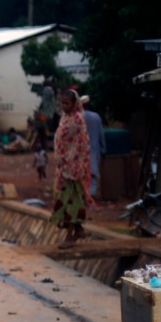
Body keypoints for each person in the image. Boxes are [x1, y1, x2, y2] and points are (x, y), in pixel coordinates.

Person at [50, 89, 93, 248]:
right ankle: (79, 230)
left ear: (75, 104)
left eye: (67, 103)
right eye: (62, 103)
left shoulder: (76, 119)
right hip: (64, 168)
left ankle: (70, 237)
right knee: (64, 201)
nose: (64, 106)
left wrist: (70, 161)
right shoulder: (65, 118)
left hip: (74, 168)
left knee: (71, 203)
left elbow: (79, 145)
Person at [81, 96, 107, 199]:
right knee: (92, 176)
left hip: (80, 152)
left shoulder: (77, 117)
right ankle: (91, 196)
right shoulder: (96, 117)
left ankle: (83, 196)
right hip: (94, 151)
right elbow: (101, 134)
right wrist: (103, 149)